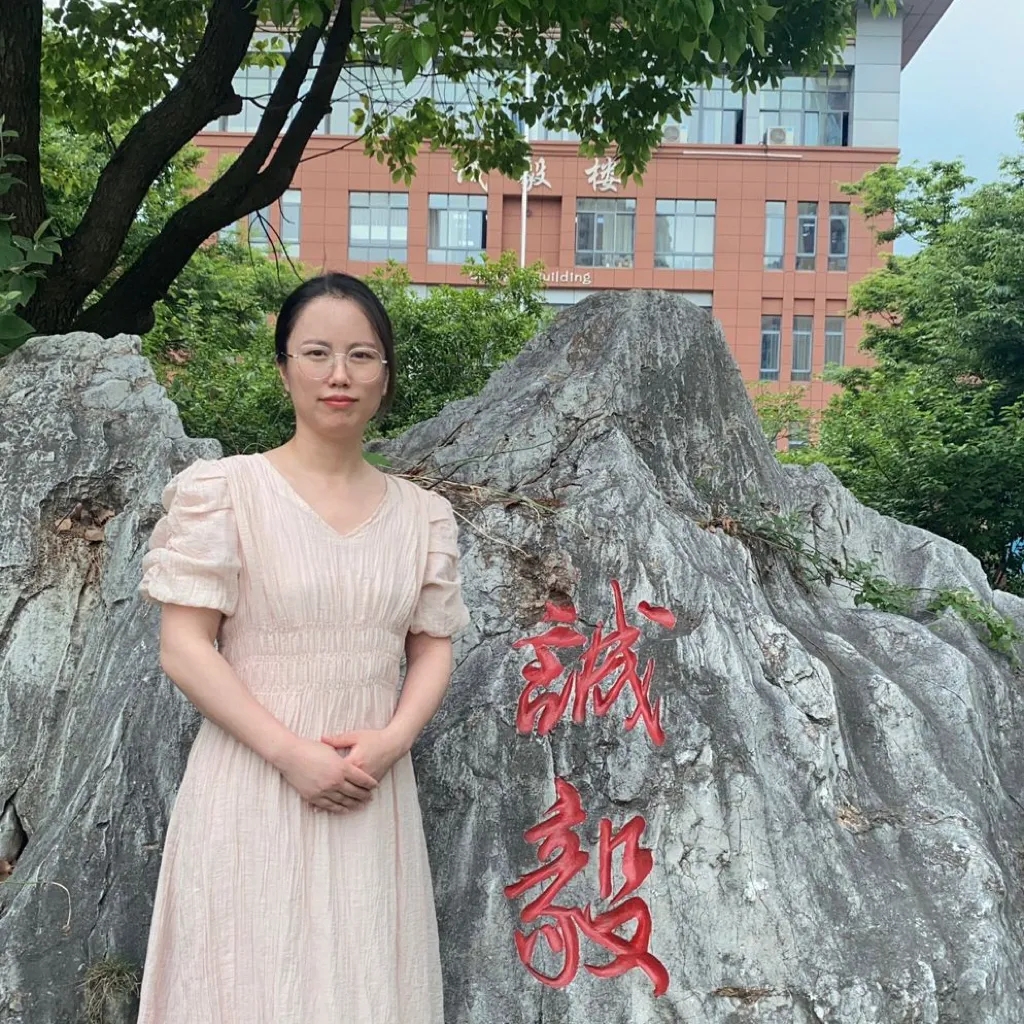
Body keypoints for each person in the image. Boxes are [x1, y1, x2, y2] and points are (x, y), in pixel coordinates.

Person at [136, 272, 470, 1023]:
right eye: (317, 353)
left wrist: (392, 740)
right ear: (284, 368)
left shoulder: (423, 516)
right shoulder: (226, 491)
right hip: (252, 782)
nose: (339, 374)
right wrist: (291, 753)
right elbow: (184, 647)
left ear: (386, 375)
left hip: (368, 790)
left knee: (364, 986)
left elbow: (432, 647)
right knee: (247, 983)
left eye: (362, 355)